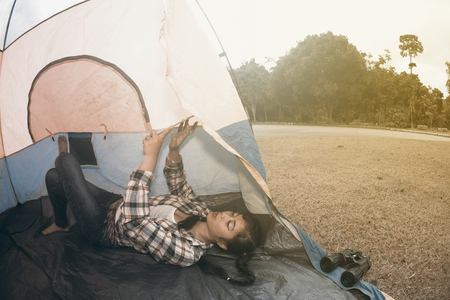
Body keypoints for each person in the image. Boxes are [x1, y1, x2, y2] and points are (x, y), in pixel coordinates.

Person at [42, 119, 262, 285]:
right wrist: (174, 149)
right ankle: (62, 222)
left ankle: (62, 159)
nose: (225, 215)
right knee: (53, 177)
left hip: (104, 228)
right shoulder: (202, 210)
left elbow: (133, 222)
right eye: (232, 214)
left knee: (67, 161)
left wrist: (150, 158)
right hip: (116, 203)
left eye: (229, 224)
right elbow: (178, 184)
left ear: (222, 243)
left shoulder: (186, 252)